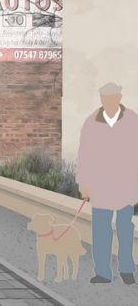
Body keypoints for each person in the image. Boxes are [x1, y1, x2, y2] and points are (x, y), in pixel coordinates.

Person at [77, 81, 138, 284]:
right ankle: (102, 272)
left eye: (112, 97)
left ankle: (127, 270)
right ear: (102, 99)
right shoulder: (91, 122)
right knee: (101, 231)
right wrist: (83, 183)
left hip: (125, 187)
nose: (109, 100)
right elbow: (84, 155)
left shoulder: (132, 120)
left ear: (119, 98)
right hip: (101, 187)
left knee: (125, 230)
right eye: (105, 97)